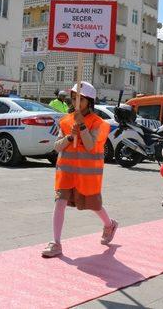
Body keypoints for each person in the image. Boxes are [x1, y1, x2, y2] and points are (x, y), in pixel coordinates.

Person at [42, 81, 115, 258]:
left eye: (80, 100)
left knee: (94, 205)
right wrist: (69, 137)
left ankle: (109, 224)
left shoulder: (100, 124)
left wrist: (82, 127)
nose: (76, 103)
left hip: (86, 176)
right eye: (74, 99)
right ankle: (56, 243)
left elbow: (90, 146)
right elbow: (57, 147)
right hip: (66, 175)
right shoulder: (65, 121)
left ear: (89, 102)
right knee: (60, 203)